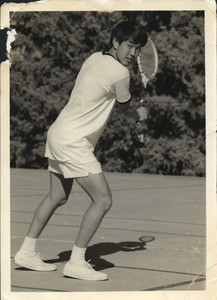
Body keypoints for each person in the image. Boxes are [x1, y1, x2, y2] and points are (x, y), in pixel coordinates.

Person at [14, 20, 148, 281]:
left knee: (57, 196)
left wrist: (133, 103)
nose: (134, 53)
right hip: (74, 142)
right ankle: (76, 262)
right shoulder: (121, 74)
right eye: (130, 46)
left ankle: (26, 252)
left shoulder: (94, 58)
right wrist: (138, 113)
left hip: (58, 133)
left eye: (138, 49)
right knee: (103, 199)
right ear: (115, 42)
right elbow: (124, 108)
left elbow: (112, 96)